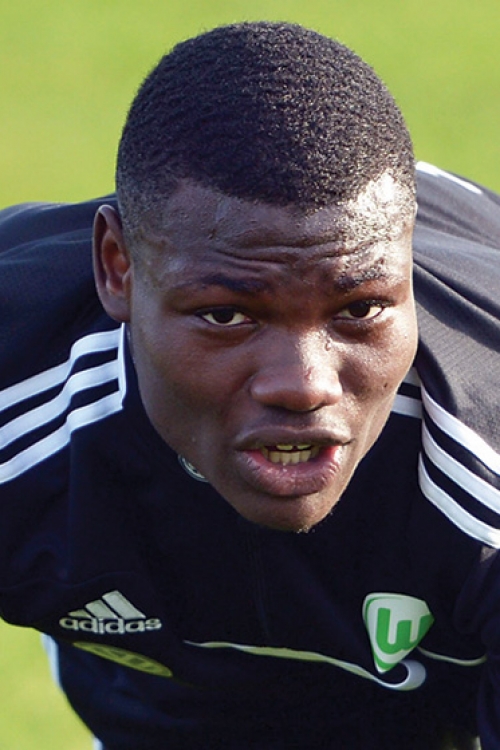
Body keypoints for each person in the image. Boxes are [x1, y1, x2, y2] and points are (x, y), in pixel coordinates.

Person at [1, 20, 500, 750]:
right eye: (226, 315)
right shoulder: (17, 379)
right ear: (117, 268)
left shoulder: (485, 457)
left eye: (360, 310)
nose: (303, 386)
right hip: (154, 709)